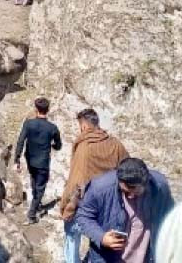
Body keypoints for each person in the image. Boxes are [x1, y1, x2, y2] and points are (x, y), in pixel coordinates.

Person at [61, 109, 130, 263]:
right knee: (102, 241)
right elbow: (128, 169)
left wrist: (67, 206)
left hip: (86, 203)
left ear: (84, 127)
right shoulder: (115, 143)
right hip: (110, 204)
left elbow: (76, 181)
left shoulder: (84, 147)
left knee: (72, 236)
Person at [75, 157, 174, 263]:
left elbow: (171, 216)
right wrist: (102, 237)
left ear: (145, 183)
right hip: (108, 258)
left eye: (134, 192)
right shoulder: (100, 188)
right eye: (125, 192)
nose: (130, 197)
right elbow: (83, 216)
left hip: (147, 257)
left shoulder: (159, 187)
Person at [14, 97, 62, 224]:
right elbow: (58, 145)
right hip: (43, 162)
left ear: (36, 109)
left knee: (34, 180)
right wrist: (53, 146)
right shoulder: (52, 128)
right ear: (48, 110)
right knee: (40, 187)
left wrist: (16, 159)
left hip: (30, 159)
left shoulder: (28, 124)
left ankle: (37, 203)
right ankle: (32, 214)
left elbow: (20, 141)